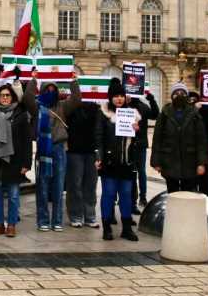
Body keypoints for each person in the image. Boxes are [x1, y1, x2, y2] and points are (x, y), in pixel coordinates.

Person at [0, 82, 33, 237]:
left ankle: (11, 225)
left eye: (7, 95)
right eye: (2, 95)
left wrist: (26, 163)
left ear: (12, 97)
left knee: (14, 195)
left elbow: (27, 141)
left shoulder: (21, 115)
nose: (4, 98)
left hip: (14, 161)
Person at [33, 76, 82, 232]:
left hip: (59, 148)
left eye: (53, 90)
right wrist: (33, 80)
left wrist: (73, 82)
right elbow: (27, 98)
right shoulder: (37, 105)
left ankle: (57, 221)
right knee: (42, 186)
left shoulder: (62, 105)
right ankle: (43, 220)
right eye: (47, 89)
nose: (50, 92)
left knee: (59, 185)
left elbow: (76, 100)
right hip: (43, 148)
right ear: (42, 91)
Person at [94, 79, 140, 241]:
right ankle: (107, 227)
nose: (119, 99)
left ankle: (126, 228)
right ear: (110, 97)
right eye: (116, 96)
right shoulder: (103, 113)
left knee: (126, 194)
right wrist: (99, 157)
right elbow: (98, 137)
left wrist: (136, 131)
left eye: (121, 96)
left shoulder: (132, 114)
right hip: (109, 161)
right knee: (109, 194)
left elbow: (137, 141)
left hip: (126, 162)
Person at [151, 82, 208, 193]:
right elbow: (157, 139)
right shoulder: (165, 113)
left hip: (190, 162)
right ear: (172, 96)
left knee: (189, 195)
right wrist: (156, 162)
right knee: (172, 194)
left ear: (186, 95)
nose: (179, 95)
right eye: (176, 93)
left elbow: (201, 141)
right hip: (169, 161)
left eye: (182, 92)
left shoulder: (194, 113)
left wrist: (201, 163)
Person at [66, 98, 101, 228]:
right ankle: (75, 215)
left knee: (91, 185)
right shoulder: (71, 106)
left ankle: (90, 216)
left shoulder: (97, 108)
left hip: (91, 151)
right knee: (75, 184)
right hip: (74, 151)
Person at [129, 87, 160, 210]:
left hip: (140, 144)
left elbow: (155, 115)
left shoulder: (142, 106)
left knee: (140, 172)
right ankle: (134, 198)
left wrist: (151, 100)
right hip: (129, 144)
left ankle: (142, 197)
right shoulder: (128, 105)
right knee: (134, 172)